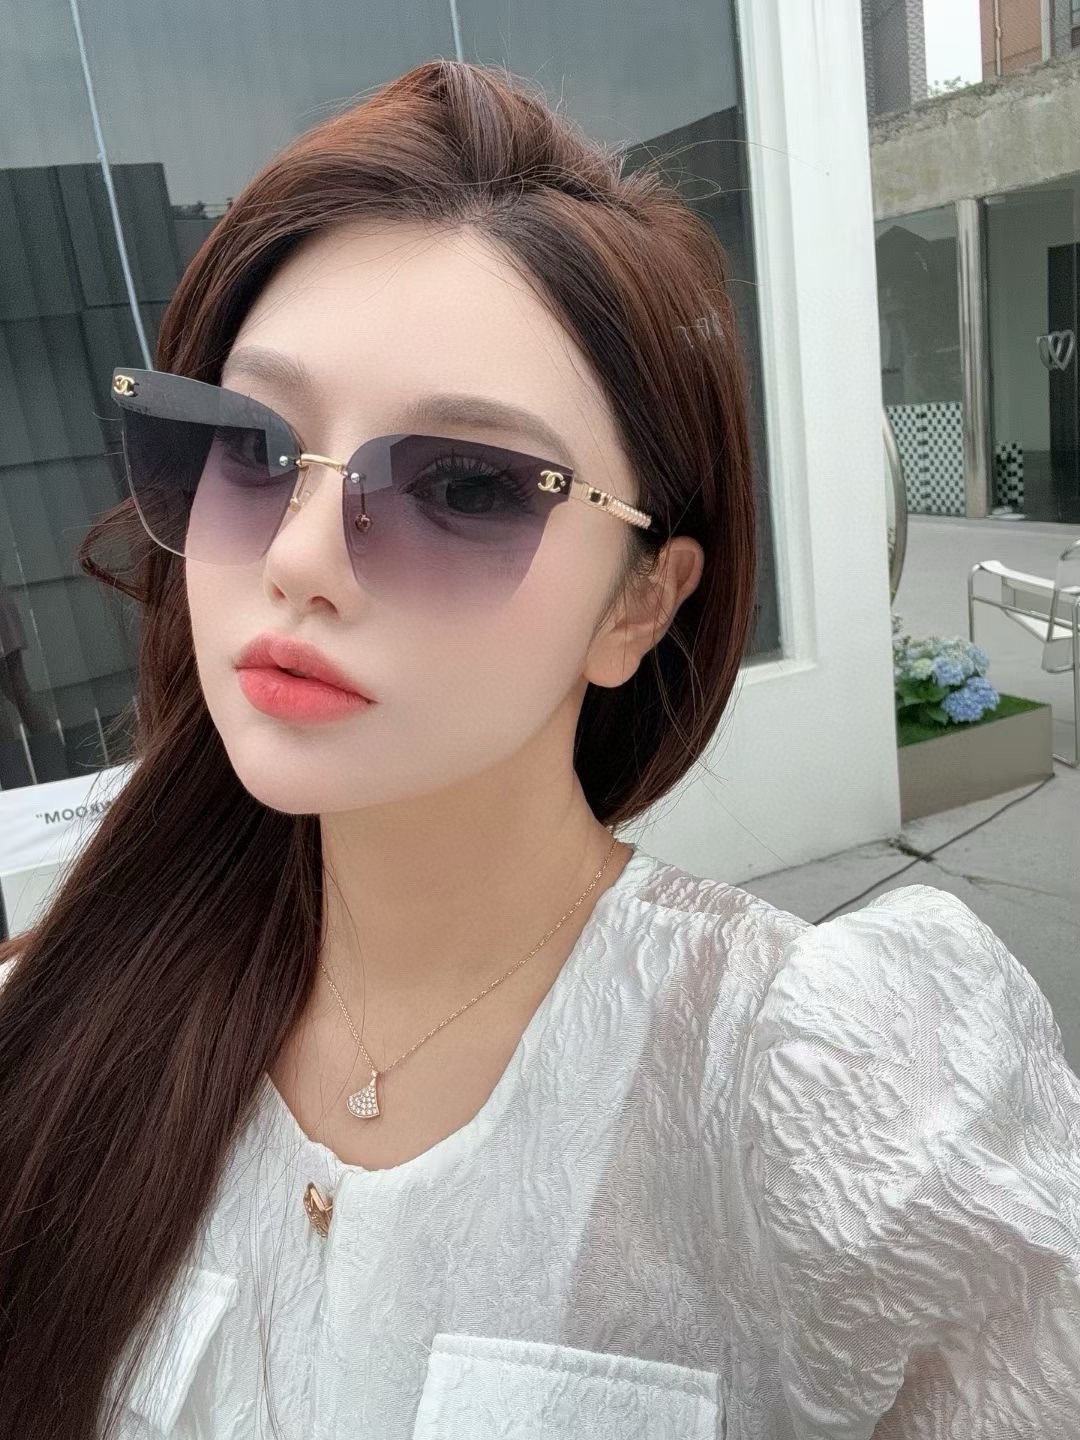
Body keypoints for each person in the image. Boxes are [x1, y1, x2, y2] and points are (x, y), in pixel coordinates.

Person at [0, 58, 1077, 1440]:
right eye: (252, 451)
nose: (302, 559)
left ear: (639, 604)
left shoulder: (823, 1100)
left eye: (461, 486)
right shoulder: (70, 1021)